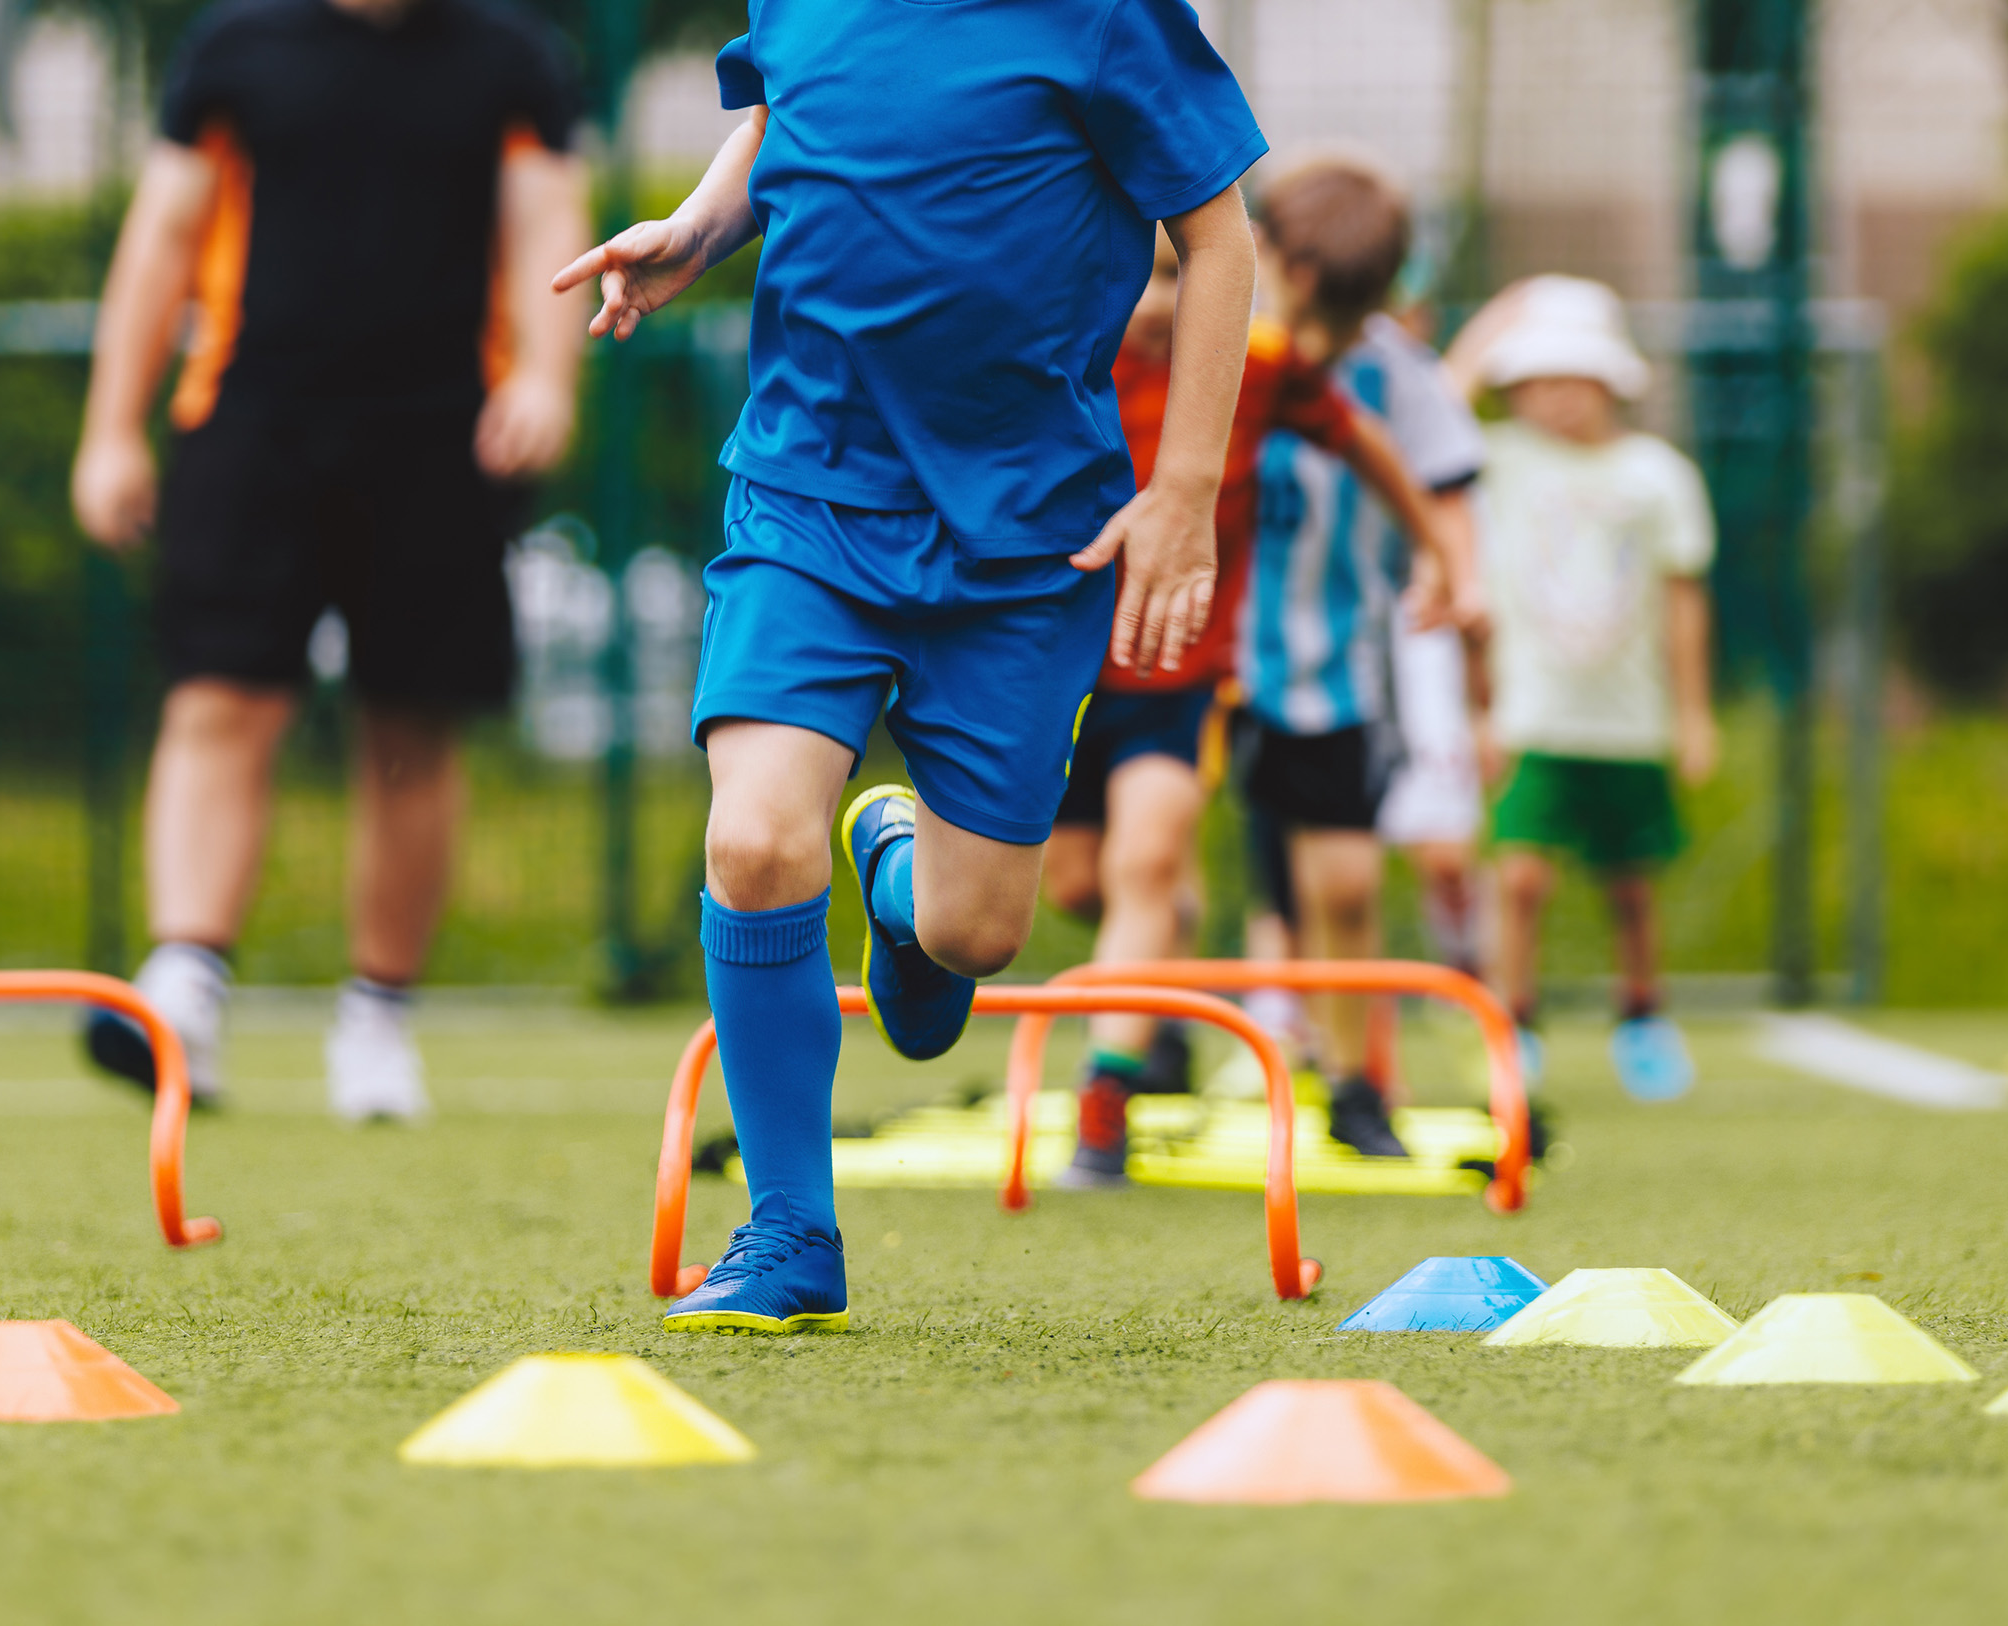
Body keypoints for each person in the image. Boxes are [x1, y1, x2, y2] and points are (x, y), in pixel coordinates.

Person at [553, 0, 1265, 1331]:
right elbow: (779, 120)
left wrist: (1183, 489)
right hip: (808, 494)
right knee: (757, 843)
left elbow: (1218, 236)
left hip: (1030, 537)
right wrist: (695, 230)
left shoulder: (1102, 19)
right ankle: (787, 1232)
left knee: (973, 934)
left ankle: (898, 876)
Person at [69, 0, 588, 1121]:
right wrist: (113, 427)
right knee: (221, 698)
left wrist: (546, 376)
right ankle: (184, 993)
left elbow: (550, 220)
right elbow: (163, 233)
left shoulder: (513, 59)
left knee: (412, 723)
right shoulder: (233, 48)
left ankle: (376, 1017)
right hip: (250, 423)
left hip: (445, 433)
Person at [1045, 197, 1470, 1188]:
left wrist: (1439, 555)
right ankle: (1162, 949)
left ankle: (1107, 1094)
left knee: (1144, 860)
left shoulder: (1252, 369)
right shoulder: (1066, 365)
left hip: (1174, 673)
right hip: (1055, 674)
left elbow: (1367, 446)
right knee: (1075, 885)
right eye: (1139, 280)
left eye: (1178, 279)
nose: (1158, 304)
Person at [1224, 159, 1486, 1163]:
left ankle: (1354, 1080)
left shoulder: (1392, 376)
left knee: (1337, 882)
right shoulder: (1224, 340)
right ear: (1275, 263)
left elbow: (1448, 485)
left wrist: (1448, 573)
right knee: (1129, 859)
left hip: (1334, 668)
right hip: (1202, 657)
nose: (1321, 339)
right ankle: (1152, 1036)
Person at [1454, 275, 1715, 1102]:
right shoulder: (1498, 461)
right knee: (1520, 877)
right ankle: (1512, 1025)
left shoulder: (1657, 475)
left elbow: (1682, 600)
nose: (1549, 399)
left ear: (1608, 380)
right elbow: (1429, 413)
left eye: (1567, 379)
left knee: (1630, 881)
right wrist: (1492, 327)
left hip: (1630, 721)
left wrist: (1692, 714)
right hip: (1531, 713)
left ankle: (1641, 1015)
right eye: (1531, 382)